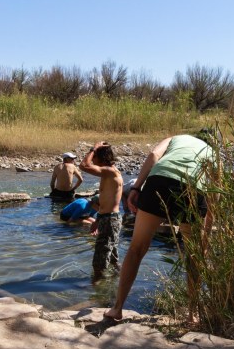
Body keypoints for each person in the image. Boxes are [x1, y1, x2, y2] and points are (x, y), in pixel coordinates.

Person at [103, 132, 216, 322]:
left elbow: (154, 156)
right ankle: (192, 314)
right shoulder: (212, 152)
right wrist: (207, 231)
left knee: (136, 249)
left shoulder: (176, 138)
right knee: (194, 255)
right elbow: (215, 193)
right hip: (193, 188)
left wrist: (137, 188)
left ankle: (117, 308)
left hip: (160, 180)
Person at [80, 141, 124, 280]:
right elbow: (106, 202)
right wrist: (98, 220)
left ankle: (97, 288)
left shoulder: (110, 171)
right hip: (109, 218)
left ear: (101, 157)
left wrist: (94, 148)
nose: (92, 158)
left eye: (95, 156)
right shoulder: (109, 173)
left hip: (110, 220)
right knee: (112, 257)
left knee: (99, 259)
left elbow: (84, 165)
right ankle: (121, 279)